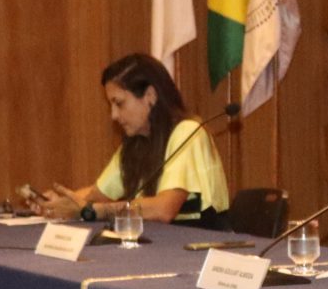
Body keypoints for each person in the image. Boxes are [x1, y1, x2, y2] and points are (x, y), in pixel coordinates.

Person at [38, 53, 229, 226]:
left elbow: (164, 210)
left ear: (150, 96)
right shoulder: (136, 142)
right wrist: (58, 203)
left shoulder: (188, 132)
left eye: (119, 103)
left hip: (199, 242)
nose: (114, 115)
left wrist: (96, 211)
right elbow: (96, 194)